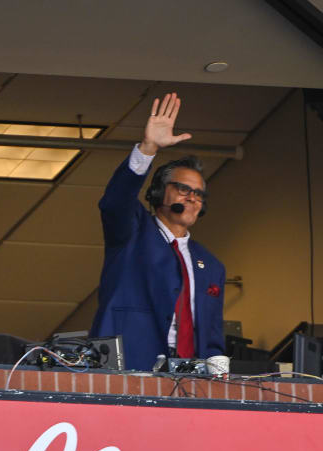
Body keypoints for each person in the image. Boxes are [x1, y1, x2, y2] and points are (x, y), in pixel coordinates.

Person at [90, 93, 225, 371]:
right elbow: (116, 201)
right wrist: (148, 147)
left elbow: (211, 334)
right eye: (183, 189)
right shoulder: (132, 232)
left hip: (189, 379)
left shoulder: (211, 265)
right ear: (158, 192)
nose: (192, 198)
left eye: (199, 194)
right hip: (128, 366)